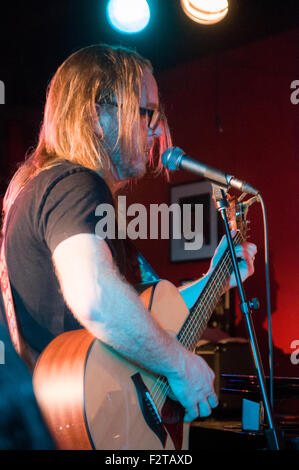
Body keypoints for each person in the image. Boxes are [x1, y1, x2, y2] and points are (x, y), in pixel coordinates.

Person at [1, 44, 257, 425]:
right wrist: (180, 366)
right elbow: (97, 297)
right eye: (146, 112)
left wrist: (215, 281)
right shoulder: (74, 182)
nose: (157, 128)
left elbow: (135, 318)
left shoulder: (55, 189)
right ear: (95, 115)